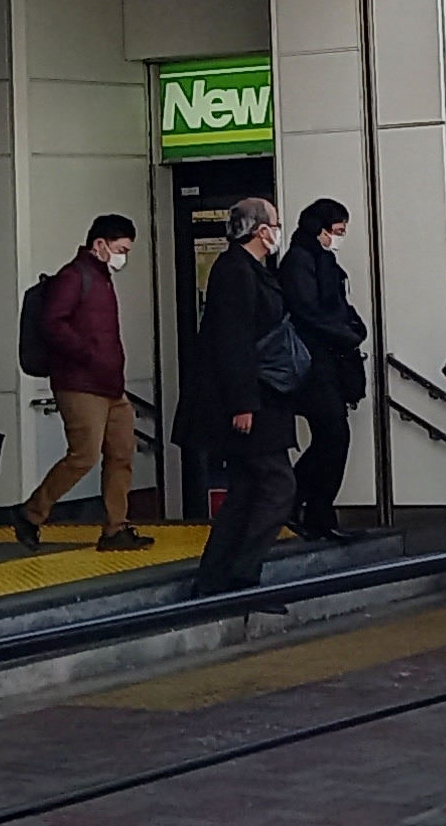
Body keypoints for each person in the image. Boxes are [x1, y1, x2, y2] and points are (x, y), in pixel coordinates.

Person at [183, 197, 297, 601]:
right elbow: (233, 340)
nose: (277, 231)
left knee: (247, 490)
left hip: (258, 396)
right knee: (278, 486)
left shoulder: (246, 269)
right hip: (251, 401)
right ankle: (241, 575)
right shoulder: (235, 271)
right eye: (275, 224)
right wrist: (243, 403)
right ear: (261, 230)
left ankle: (216, 578)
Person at [20, 217, 151, 551]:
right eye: (121, 249)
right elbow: (53, 324)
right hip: (79, 383)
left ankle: (116, 528)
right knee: (84, 456)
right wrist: (88, 353)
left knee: (121, 454)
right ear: (100, 244)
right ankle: (31, 513)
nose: (123, 257)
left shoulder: (100, 278)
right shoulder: (74, 277)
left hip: (110, 385)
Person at [278, 198, 370, 542]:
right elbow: (308, 312)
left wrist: (353, 328)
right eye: (337, 230)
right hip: (313, 364)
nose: (339, 237)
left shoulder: (321, 261)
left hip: (328, 361)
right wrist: (346, 334)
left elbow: (338, 307)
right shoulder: (299, 262)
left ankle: (311, 509)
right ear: (319, 228)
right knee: (334, 436)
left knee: (331, 437)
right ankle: (303, 505)